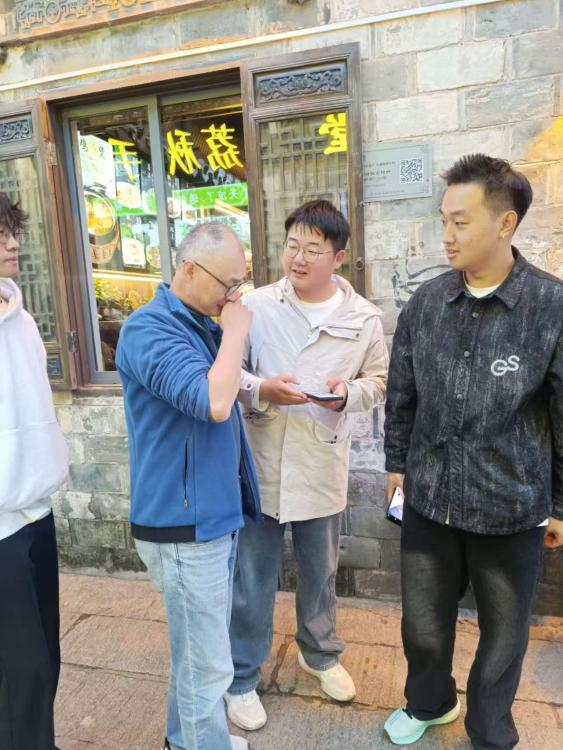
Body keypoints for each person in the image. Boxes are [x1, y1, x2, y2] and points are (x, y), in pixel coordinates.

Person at [383, 154, 563, 749]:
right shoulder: (426, 303)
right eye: (444, 220)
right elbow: (402, 393)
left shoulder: (550, 307)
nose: (447, 234)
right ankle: (429, 702)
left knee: (504, 634)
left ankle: (490, 730)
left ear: (506, 223)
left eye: (460, 222)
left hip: (511, 504)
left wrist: (560, 505)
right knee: (423, 624)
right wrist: (395, 464)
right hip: (430, 497)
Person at [226, 200, 388, 730]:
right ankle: (241, 675)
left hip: (321, 460)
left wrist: (348, 395)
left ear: (338, 258)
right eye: (292, 245)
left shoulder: (363, 318)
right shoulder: (255, 305)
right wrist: (263, 389)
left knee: (320, 572)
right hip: (262, 462)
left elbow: (378, 381)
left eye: (312, 249)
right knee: (252, 577)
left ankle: (319, 654)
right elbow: (228, 371)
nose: (298, 258)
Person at [116, 222, 262, 750]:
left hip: (212, 516)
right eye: (229, 284)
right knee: (207, 665)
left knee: (199, 653)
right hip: (181, 525)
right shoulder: (149, 330)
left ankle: (186, 740)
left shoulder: (199, 323)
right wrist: (236, 330)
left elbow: (228, 389)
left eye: (241, 284)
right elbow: (214, 401)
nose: (234, 296)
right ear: (190, 270)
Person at [0, 192, 69, 750]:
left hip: (34, 508)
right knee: (17, 671)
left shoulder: (19, 318)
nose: (12, 243)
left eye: (12, 231)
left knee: (46, 655)